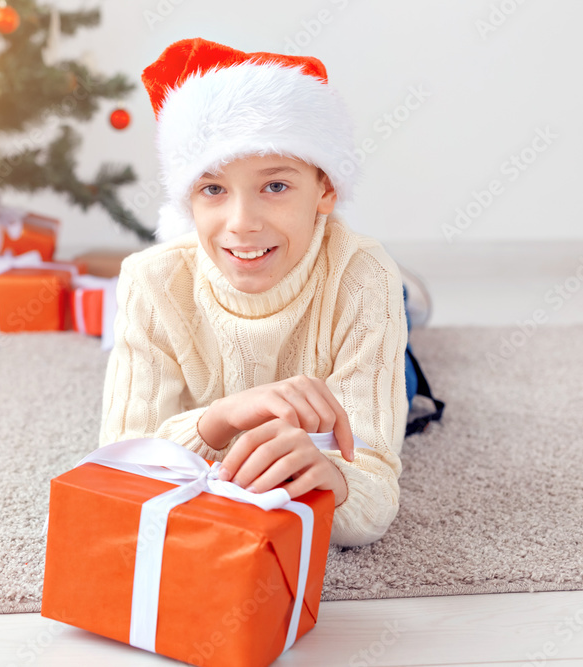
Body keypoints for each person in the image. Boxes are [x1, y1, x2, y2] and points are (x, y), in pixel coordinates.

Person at [98, 38, 441, 547]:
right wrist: (222, 416)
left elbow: (372, 495)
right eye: (213, 189)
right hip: (238, 293)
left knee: (404, 379)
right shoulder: (150, 280)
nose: (242, 224)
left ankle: (405, 305)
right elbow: (120, 471)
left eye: (275, 186)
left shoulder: (364, 278)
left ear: (325, 190)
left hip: (345, 296)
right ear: (188, 201)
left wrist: (337, 484)